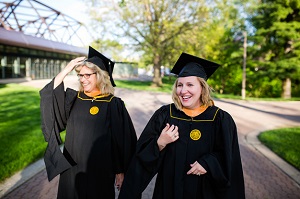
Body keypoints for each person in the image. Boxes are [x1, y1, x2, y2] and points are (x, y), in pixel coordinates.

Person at [118, 52, 245, 199]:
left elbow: (229, 159)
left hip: (204, 192)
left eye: (190, 84)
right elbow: (141, 155)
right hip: (168, 191)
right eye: (179, 85)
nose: (183, 91)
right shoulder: (166, 114)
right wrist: (159, 143)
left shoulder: (219, 119)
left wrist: (209, 163)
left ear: (202, 88)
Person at [40, 46, 137, 199]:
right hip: (72, 167)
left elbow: (121, 140)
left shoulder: (113, 104)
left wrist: (120, 171)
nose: (82, 79)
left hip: (101, 169)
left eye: (87, 75)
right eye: (80, 75)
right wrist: (67, 68)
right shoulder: (74, 99)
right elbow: (49, 93)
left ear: (99, 76)